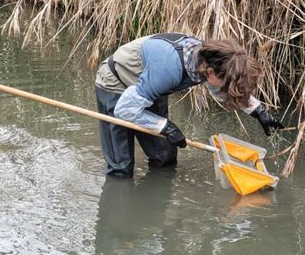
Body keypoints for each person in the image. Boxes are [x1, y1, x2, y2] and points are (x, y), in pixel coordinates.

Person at [95, 33, 283, 177]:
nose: (226, 88)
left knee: (165, 158)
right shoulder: (170, 69)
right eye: (226, 83)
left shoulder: (210, 61)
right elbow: (124, 110)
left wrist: (258, 110)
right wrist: (165, 127)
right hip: (116, 85)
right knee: (121, 169)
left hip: (150, 87)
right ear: (210, 73)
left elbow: (222, 90)